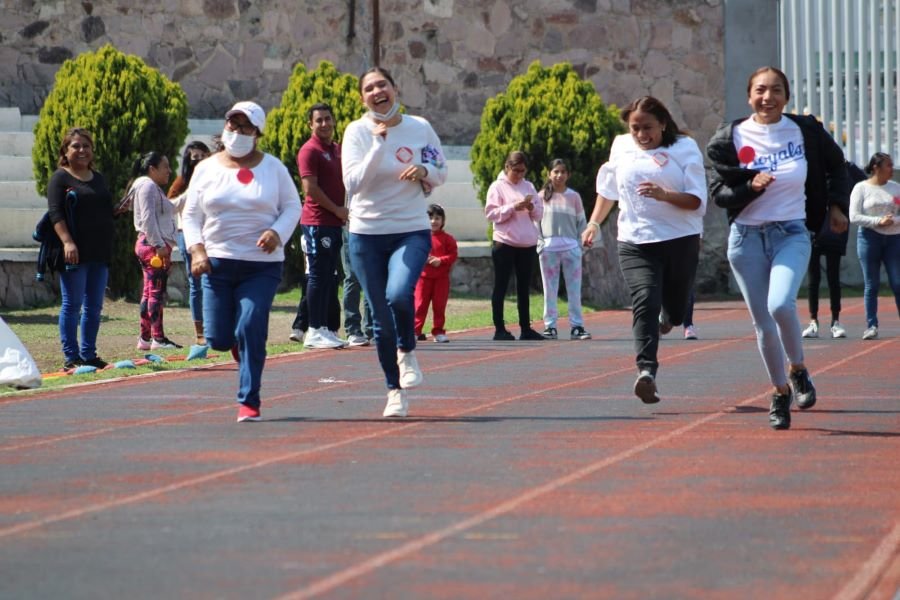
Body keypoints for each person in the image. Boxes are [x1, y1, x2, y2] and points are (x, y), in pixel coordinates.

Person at [706, 66, 849, 430]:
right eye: (760, 90)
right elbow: (719, 194)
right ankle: (779, 391)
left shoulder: (806, 131)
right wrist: (750, 187)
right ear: (748, 96)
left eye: (775, 91)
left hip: (792, 232)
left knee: (780, 304)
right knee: (763, 324)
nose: (767, 97)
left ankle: (798, 368)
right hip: (746, 238)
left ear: (786, 97)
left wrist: (836, 206)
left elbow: (838, 167)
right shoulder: (731, 136)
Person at [582, 96, 706, 404]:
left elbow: (696, 201)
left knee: (676, 311)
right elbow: (608, 191)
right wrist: (593, 224)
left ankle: (671, 317)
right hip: (635, 241)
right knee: (645, 300)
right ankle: (646, 371)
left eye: (648, 128)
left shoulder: (684, 148)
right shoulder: (622, 146)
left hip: (681, 240)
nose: (641, 135)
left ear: (663, 124)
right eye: (635, 128)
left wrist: (664, 195)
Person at [182, 101, 301, 422]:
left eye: (245, 127)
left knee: (251, 322)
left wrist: (277, 232)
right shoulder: (206, 168)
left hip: (260, 265)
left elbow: (293, 207)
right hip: (216, 264)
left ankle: (249, 400)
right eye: (232, 125)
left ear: (257, 133)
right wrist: (197, 250)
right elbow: (191, 214)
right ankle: (237, 342)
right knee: (219, 339)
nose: (236, 132)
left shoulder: (273, 168)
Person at [342, 66, 448, 418]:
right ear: (363, 98)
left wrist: (424, 172)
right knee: (379, 322)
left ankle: (408, 349)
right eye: (369, 88)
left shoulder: (420, 127)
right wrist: (377, 143)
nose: (377, 92)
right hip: (366, 235)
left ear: (394, 87)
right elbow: (353, 183)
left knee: (399, 294)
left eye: (382, 85)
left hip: (410, 229)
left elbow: (440, 169)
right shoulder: (357, 132)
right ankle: (394, 390)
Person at [47, 128, 114, 370]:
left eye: (86, 145)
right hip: (74, 252)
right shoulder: (60, 178)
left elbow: (101, 209)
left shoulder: (98, 178)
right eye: (75, 146)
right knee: (72, 304)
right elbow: (56, 213)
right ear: (65, 150)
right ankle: (71, 357)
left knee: (94, 306)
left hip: (99, 251)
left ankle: (89, 355)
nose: (82, 150)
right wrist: (67, 241)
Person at [293, 102, 349, 350]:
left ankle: (325, 327)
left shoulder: (337, 150)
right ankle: (313, 329)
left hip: (334, 223)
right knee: (316, 275)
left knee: (329, 276)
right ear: (311, 124)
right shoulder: (309, 150)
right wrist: (336, 209)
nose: (324, 124)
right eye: (319, 120)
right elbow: (310, 189)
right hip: (317, 223)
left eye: (328, 118)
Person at [485, 151, 545, 341]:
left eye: (523, 171)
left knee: (523, 287)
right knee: (501, 285)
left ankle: (526, 328)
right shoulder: (497, 186)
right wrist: (512, 208)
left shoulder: (528, 186)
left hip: (526, 243)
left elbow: (539, 213)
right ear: (507, 167)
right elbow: (491, 213)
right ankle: (499, 328)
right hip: (505, 242)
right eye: (516, 170)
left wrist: (531, 207)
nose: (519, 175)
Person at [128, 151, 182, 350]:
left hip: (147, 244)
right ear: (152, 169)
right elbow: (148, 220)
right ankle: (158, 338)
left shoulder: (148, 187)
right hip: (152, 247)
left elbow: (168, 208)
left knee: (149, 292)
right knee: (156, 294)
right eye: (165, 166)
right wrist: (159, 246)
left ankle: (145, 338)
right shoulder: (148, 186)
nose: (169, 171)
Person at [537, 158, 591, 341]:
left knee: (574, 290)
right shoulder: (541, 196)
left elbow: (581, 222)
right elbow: (534, 222)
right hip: (548, 251)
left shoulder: (574, 197)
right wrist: (541, 244)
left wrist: (579, 245)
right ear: (549, 174)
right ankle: (550, 326)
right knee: (549, 289)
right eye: (556, 172)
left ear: (568, 175)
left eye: (563, 172)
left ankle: (577, 326)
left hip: (571, 249)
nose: (559, 175)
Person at [849, 152, 900, 340]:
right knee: (872, 284)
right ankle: (871, 325)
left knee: (898, 282)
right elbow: (854, 216)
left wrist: (893, 221)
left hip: (894, 238)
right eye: (888, 165)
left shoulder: (896, 188)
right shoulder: (860, 188)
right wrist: (878, 221)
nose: (892, 169)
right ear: (876, 167)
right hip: (869, 239)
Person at [168, 141, 211, 346]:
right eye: (195, 157)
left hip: (212, 234)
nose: (199, 161)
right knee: (196, 284)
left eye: (203, 156)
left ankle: (216, 326)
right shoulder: (182, 182)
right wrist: (191, 191)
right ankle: (200, 331)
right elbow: (170, 206)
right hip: (188, 235)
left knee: (214, 281)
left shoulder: (216, 177)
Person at [414, 203, 458, 342]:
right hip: (423, 278)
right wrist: (423, 258)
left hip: (441, 279)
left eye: (438, 218)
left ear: (443, 221)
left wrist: (441, 260)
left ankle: (438, 332)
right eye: (430, 217)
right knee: (419, 305)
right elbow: (414, 253)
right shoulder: (420, 237)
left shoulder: (448, 238)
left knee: (439, 306)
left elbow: (453, 255)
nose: (434, 221)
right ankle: (415, 331)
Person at [340, 226, 374, 345]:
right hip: (353, 227)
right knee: (352, 278)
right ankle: (353, 330)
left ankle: (371, 330)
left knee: (371, 279)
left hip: (373, 228)